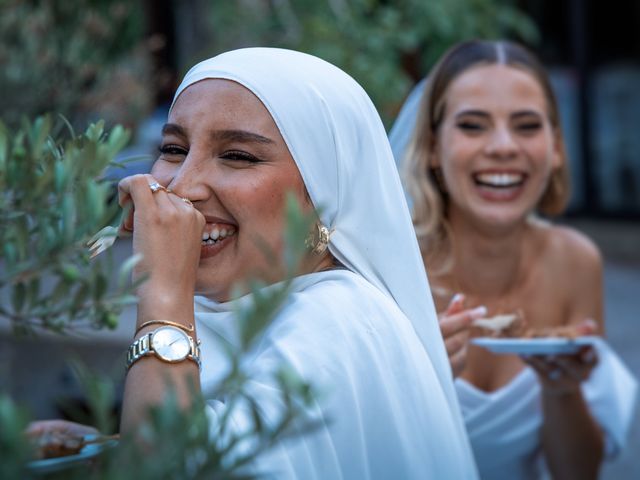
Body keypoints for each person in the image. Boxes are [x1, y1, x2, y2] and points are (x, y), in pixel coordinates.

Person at [33, 48, 480, 478]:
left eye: (238, 156)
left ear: (324, 194)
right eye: (172, 150)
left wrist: (164, 298)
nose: (183, 186)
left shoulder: (337, 322)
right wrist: (111, 454)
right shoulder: (230, 313)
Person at [391, 39, 637, 479]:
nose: (504, 147)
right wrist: (410, 388)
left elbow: (577, 473)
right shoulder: (387, 272)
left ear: (556, 147)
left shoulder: (576, 263)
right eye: (473, 126)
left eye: (526, 126)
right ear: (431, 146)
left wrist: (562, 390)